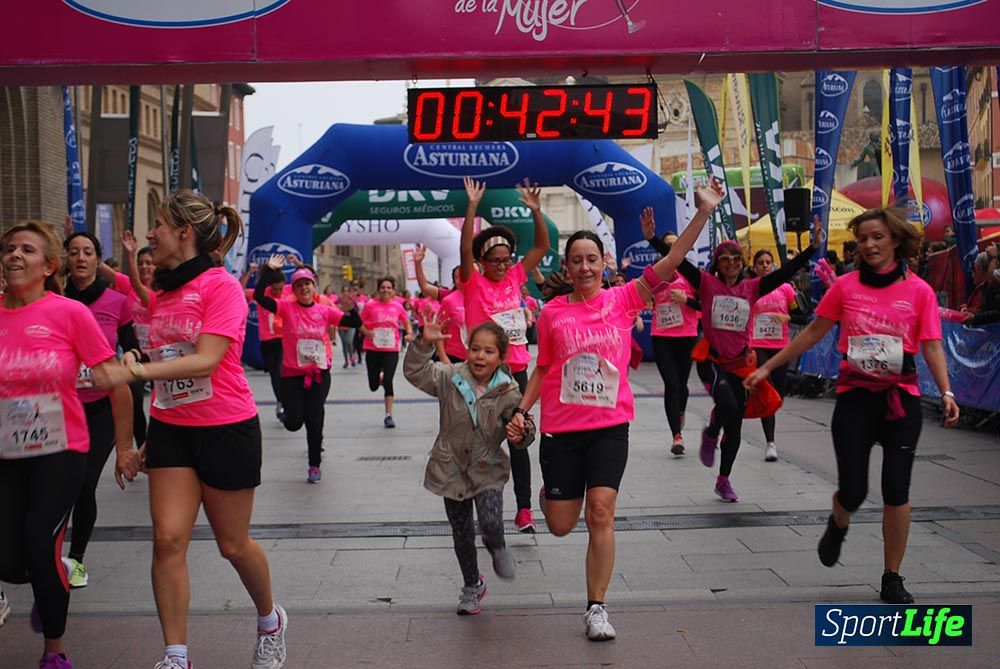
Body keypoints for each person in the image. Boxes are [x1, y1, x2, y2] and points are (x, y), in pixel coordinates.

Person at [510, 181, 724, 641]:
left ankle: (596, 608)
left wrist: (702, 213)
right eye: (576, 261)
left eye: (592, 259)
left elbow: (668, 264)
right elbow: (543, 368)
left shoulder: (623, 299)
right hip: (561, 433)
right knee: (563, 525)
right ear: (566, 269)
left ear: (603, 263)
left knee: (601, 513)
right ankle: (554, 495)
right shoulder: (552, 314)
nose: (585, 267)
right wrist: (522, 411)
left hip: (610, 427)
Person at [91, 190, 288, 669]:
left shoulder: (220, 286)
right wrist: (144, 438)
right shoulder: (162, 292)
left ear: (184, 233)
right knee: (167, 539)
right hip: (173, 429)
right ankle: (176, 656)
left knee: (232, 545)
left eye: (157, 225)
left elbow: (207, 358)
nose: (150, 235)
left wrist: (130, 373)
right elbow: (170, 364)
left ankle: (270, 620)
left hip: (226, 427)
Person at [745, 207, 960, 604]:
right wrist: (768, 367)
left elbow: (931, 344)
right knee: (855, 490)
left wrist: (946, 392)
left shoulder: (919, 291)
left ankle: (892, 576)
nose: (869, 244)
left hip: (901, 399)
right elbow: (812, 332)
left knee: (896, 489)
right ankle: (838, 522)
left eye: (877, 237)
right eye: (862, 239)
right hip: (855, 399)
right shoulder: (845, 287)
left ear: (894, 239)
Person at [1, 221, 142, 669]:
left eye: (27, 249)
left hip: (60, 451)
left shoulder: (68, 314)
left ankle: (54, 651)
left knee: (40, 546)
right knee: (9, 559)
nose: (15, 256)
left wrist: (123, 448)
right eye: (8, 249)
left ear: (48, 265)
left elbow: (116, 385)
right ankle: (50, 581)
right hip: (5, 452)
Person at [652, 211, 823, 503]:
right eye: (725, 259)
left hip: (741, 363)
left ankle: (723, 479)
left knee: (736, 423)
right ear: (718, 265)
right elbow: (678, 260)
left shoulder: (752, 287)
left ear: (742, 264)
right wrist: (652, 238)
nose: (731, 264)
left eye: (736, 259)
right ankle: (710, 433)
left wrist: (812, 247)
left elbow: (785, 272)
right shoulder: (706, 283)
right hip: (713, 361)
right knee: (729, 406)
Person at [404, 317, 533, 615]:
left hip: (487, 466)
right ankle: (473, 584)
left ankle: (497, 544)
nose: (479, 356)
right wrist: (423, 345)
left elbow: (521, 428)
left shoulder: (509, 390)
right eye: (475, 349)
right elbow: (416, 372)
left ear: (501, 357)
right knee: (461, 531)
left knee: (489, 521)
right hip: (450, 469)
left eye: (488, 351)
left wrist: (521, 431)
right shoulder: (450, 377)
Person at [460, 176, 550, 533]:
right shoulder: (472, 281)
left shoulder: (515, 276)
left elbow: (541, 247)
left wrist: (536, 212)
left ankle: (525, 509)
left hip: (515, 373)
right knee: (483, 446)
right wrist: (471, 207)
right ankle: (486, 508)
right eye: (494, 260)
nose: (501, 265)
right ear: (482, 261)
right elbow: (465, 249)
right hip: (483, 376)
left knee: (519, 437)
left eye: (505, 259)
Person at [62, 231, 137, 588]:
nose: (80, 257)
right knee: (60, 483)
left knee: (84, 482)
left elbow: (133, 344)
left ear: (97, 260)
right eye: (74, 252)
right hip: (60, 407)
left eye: (87, 252)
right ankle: (49, 554)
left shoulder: (116, 301)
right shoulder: (53, 299)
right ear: (65, 259)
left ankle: (75, 560)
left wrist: (131, 357)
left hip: (102, 406)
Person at [255, 258, 362, 482]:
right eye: (299, 285)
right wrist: (269, 271)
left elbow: (353, 323)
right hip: (293, 375)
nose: (304, 287)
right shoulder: (286, 307)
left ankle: (314, 465)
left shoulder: (324, 311)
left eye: (308, 284)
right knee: (294, 422)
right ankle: (292, 415)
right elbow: (259, 297)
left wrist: (352, 307)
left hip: (319, 374)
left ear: (314, 287)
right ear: (293, 290)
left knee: (315, 419)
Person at [640, 228, 702, 455]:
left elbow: (705, 305)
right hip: (662, 336)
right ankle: (677, 436)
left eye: (677, 244)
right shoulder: (655, 273)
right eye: (668, 245)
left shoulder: (692, 274)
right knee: (672, 384)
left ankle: (680, 412)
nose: (674, 248)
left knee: (682, 385)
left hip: (687, 336)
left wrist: (686, 299)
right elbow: (639, 294)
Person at [98, 229, 155, 451]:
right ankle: (143, 448)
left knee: (164, 402)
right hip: (135, 353)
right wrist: (77, 239)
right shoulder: (127, 285)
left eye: (149, 263)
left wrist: (130, 257)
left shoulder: (161, 291)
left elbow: (143, 293)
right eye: (141, 263)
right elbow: (101, 267)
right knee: (136, 400)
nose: (144, 267)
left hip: (159, 354)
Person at [746, 249, 799, 462]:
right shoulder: (751, 288)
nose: (765, 266)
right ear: (755, 267)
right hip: (757, 345)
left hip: (781, 347)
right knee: (767, 392)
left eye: (769, 262)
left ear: (774, 265)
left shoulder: (785, 288)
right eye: (761, 263)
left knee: (778, 394)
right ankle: (770, 443)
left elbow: (800, 315)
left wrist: (785, 316)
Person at [359, 276, 411, 428]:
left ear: (393, 290)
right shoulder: (370, 306)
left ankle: (388, 415)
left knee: (389, 381)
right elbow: (359, 323)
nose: (386, 290)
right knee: (373, 386)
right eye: (383, 287)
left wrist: (408, 333)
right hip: (372, 348)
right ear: (378, 289)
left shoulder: (397, 307)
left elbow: (406, 322)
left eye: (389, 287)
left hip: (391, 349)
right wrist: (366, 332)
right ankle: (379, 379)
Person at [242, 260, 287, 422]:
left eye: (280, 288)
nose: (278, 291)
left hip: (284, 340)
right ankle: (280, 401)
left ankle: (286, 402)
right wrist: (249, 274)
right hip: (268, 341)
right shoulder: (262, 293)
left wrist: (299, 264)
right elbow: (241, 291)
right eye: (275, 289)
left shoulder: (289, 292)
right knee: (275, 373)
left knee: (281, 369)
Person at [961, 250, 1000, 326]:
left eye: (974, 270)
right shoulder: (981, 288)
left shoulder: (990, 288)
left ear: (980, 269)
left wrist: (975, 317)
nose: (972, 275)